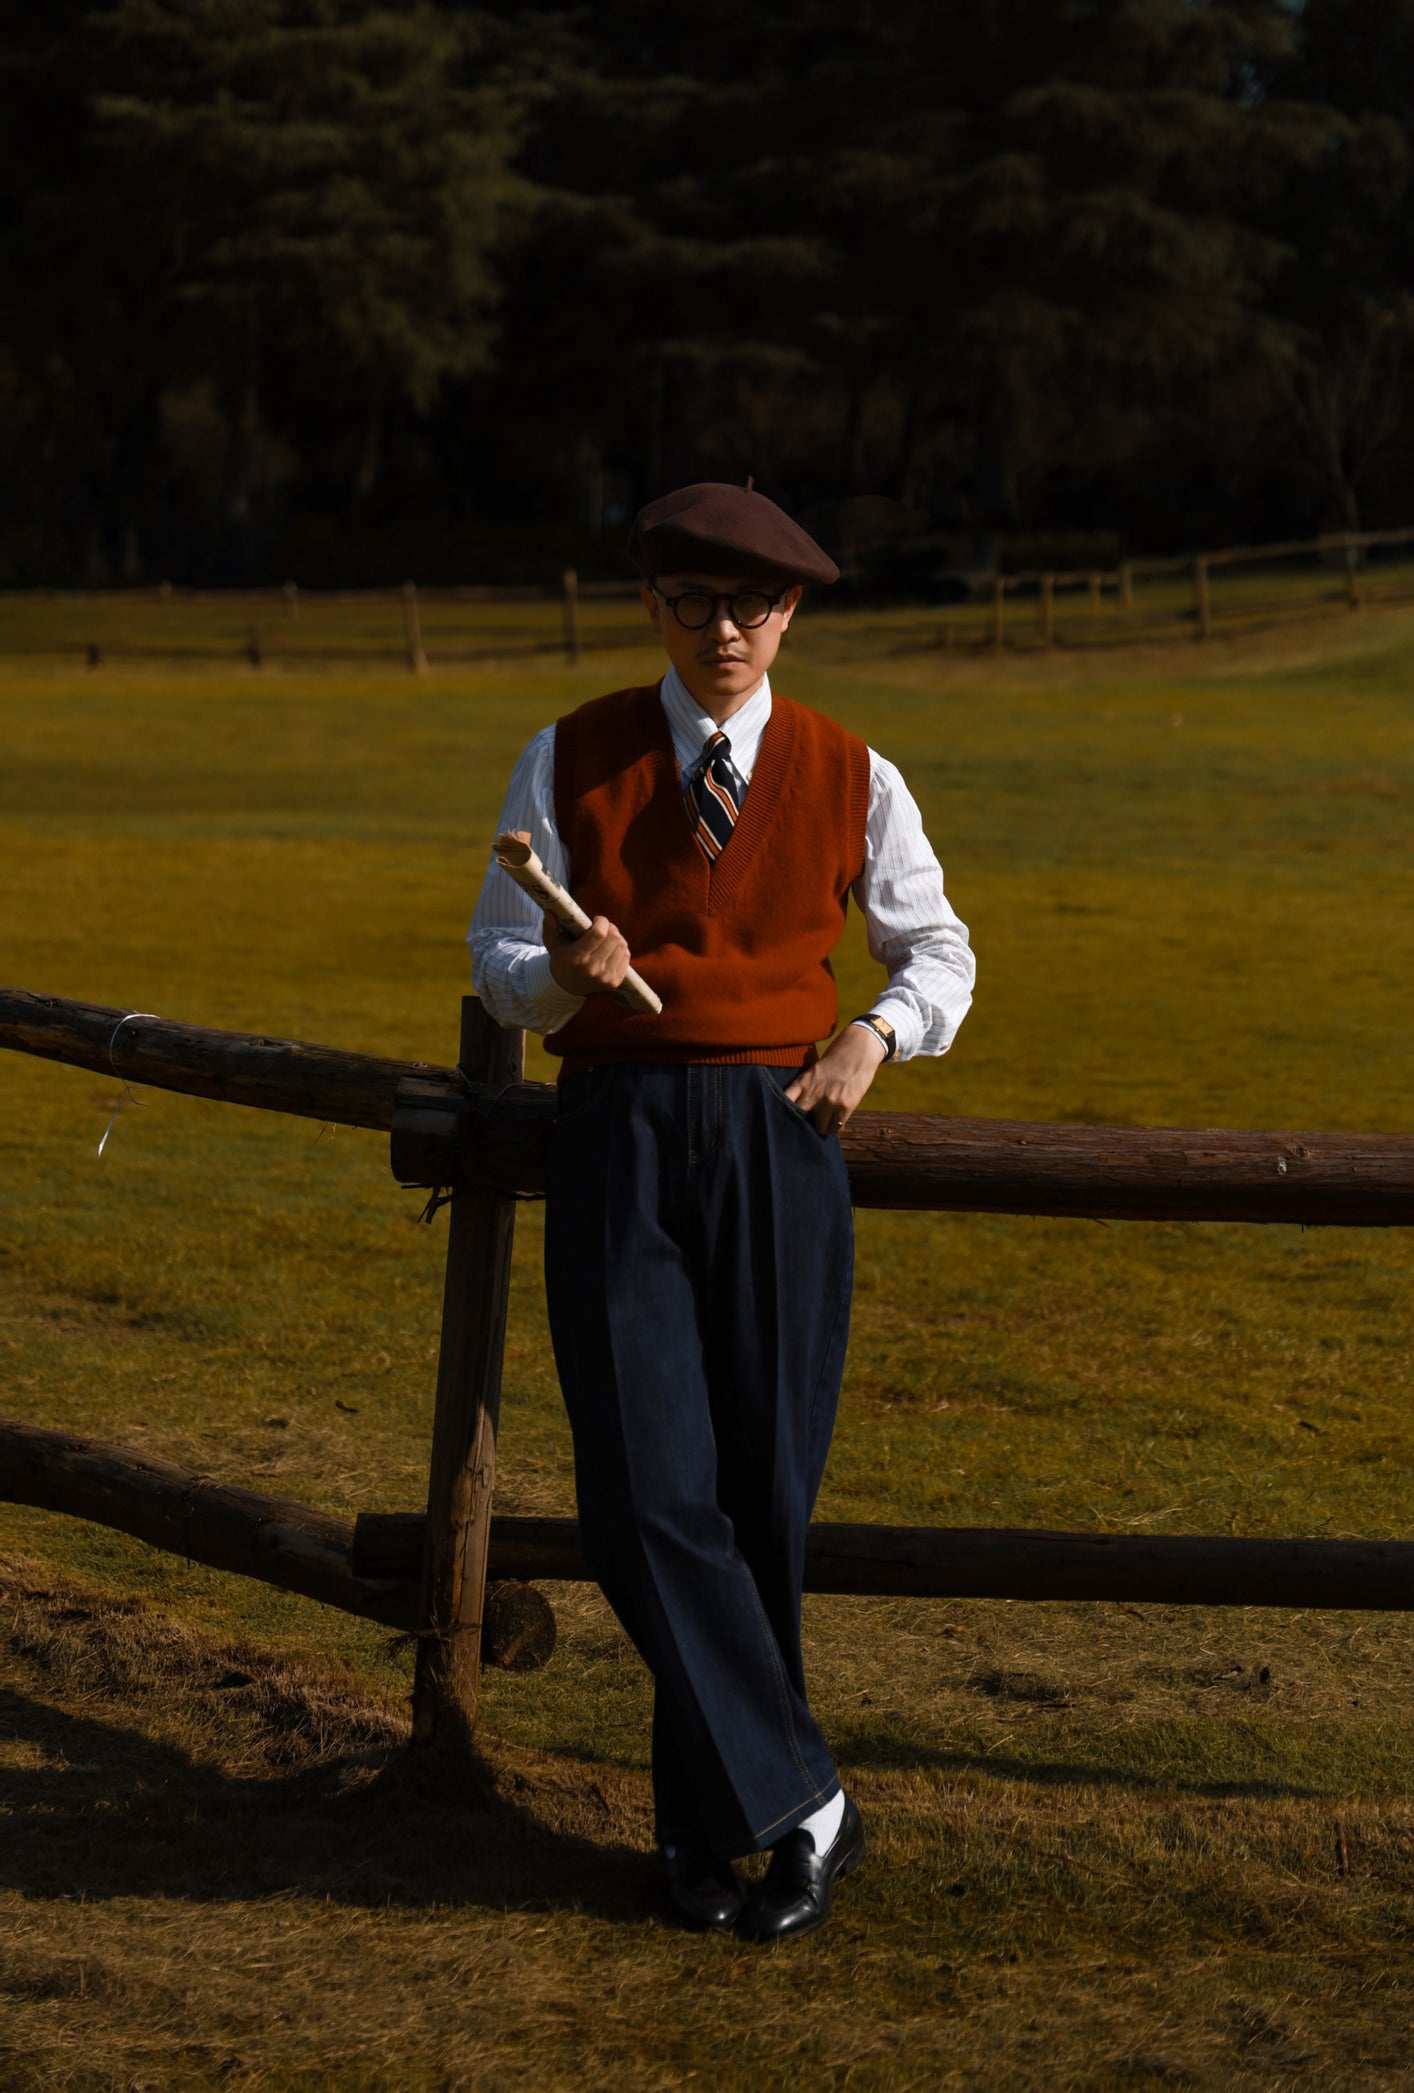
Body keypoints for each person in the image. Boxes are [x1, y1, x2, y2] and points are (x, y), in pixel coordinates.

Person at [468, 481, 974, 1939]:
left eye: (754, 605)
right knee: (640, 1497)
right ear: (652, 604)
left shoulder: (852, 771)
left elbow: (936, 943)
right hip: (616, 1133)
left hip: (781, 1133)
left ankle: (714, 1832)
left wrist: (874, 1036)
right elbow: (500, 951)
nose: (725, 630)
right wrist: (562, 976)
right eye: (694, 600)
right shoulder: (565, 757)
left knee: (758, 1498)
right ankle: (806, 1799)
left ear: (793, 616)